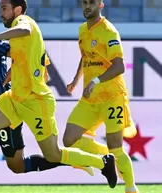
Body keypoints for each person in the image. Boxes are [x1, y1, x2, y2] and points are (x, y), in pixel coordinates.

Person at [0, 1, 118, 193]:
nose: (1, 13)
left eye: (4, 9)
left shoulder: (24, 21)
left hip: (36, 101)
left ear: (17, 10)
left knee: (53, 154)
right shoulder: (16, 32)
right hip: (15, 96)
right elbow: (29, 53)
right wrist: (15, 69)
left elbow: (25, 31)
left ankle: (102, 162)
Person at [62, 0, 139, 193]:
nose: (88, 6)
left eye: (92, 3)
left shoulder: (109, 31)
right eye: (85, 3)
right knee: (69, 139)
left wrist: (95, 81)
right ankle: (106, 157)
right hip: (90, 99)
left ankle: (131, 188)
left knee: (116, 145)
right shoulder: (82, 30)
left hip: (112, 96)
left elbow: (119, 66)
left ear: (101, 5)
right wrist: (75, 80)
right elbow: (86, 56)